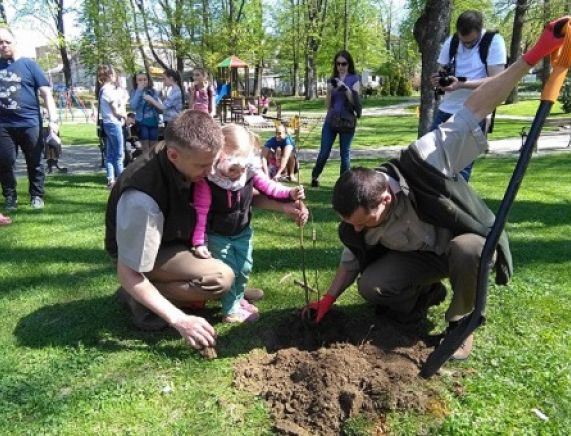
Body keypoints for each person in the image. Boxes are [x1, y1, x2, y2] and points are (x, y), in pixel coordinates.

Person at [303, 17, 569, 361]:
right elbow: (352, 258)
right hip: (420, 261)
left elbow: (479, 105)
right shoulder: (358, 220)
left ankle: (461, 322)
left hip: (459, 247)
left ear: (386, 198)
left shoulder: (425, 160)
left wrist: (534, 56)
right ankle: (424, 296)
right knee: (371, 286)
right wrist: (328, 298)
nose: (354, 228)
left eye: (363, 221)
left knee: (470, 250)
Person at [105, 110, 308, 349]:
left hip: (176, 238)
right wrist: (179, 319)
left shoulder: (189, 157)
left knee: (224, 278)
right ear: (173, 155)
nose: (211, 171)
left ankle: (231, 293)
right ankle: (138, 296)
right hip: (146, 252)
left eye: (214, 162)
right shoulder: (143, 199)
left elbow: (233, 197)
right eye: (204, 166)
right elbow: (128, 270)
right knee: (220, 279)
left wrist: (282, 207)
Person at [191, 125, 305, 323]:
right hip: (218, 234)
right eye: (234, 167)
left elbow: (270, 187)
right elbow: (200, 213)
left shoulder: (249, 172)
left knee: (244, 268)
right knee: (230, 270)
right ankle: (231, 311)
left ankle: (237, 297)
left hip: (242, 232)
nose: (238, 173)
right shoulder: (208, 181)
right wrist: (199, 242)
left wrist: (289, 193)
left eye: (243, 166)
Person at [431, 10, 507, 181]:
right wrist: (438, 80)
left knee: (460, 172)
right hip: (446, 110)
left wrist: (461, 85)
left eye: (471, 42)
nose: (466, 45)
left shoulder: (493, 42)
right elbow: (443, 71)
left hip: (474, 111)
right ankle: (434, 204)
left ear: (480, 30)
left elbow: (497, 81)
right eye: (463, 41)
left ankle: (456, 206)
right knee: (428, 160)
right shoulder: (452, 41)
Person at [0, 27, 59, 211]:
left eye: (6, 42)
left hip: (30, 123)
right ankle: (10, 197)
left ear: (14, 42)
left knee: (35, 162)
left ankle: (37, 196)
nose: (3, 46)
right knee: (4, 161)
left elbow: (46, 94)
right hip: (3, 125)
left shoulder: (29, 65)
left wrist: (53, 122)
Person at [311, 50, 361, 187]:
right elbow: (327, 106)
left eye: (343, 63)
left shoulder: (354, 79)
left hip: (347, 120)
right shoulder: (332, 79)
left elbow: (355, 103)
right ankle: (315, 175)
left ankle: (343, 183)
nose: (340, 67)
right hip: (331, 120)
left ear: (348, 64)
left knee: (344, 154)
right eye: (338, 64)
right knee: (324, 152)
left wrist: (345, 88)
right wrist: (328, 91)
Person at [96, 64, 126, 189]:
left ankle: (111, 179)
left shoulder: (102, 89)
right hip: (114, 124)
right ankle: (122, 181)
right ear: (110, 75)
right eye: (114, 74)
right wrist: (125, 115)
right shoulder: (109, 90)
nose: (115, 76)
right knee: (119, 154)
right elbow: (115, 111)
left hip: (107, 124)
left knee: (110, 154)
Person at [129, 72, 161, 153]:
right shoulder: (134, 91)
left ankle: (153, 164)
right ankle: (146, 163)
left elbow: (160, 106)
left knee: (154, 147)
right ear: (136, 81)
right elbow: (133, 106)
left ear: (148, 80)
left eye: (145, 79)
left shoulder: (153, 91)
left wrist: (153, 102)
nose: (143, 82)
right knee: (145, 148)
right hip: (142, 122)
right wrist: (139, 91)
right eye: (140, 80)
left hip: (154, 121)